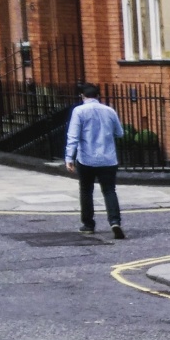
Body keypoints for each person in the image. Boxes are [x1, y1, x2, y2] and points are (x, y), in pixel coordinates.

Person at [65, 84, 126, 238]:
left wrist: (69, 158)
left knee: (86, 191)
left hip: (86, 159)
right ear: (98, 96)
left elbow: (73, 136)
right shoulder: (109, 110)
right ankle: (115, 222)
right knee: (109, 191)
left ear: (82, 96)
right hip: (108, 159)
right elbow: (120, 133)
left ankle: (88, 224)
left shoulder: (78, 111)